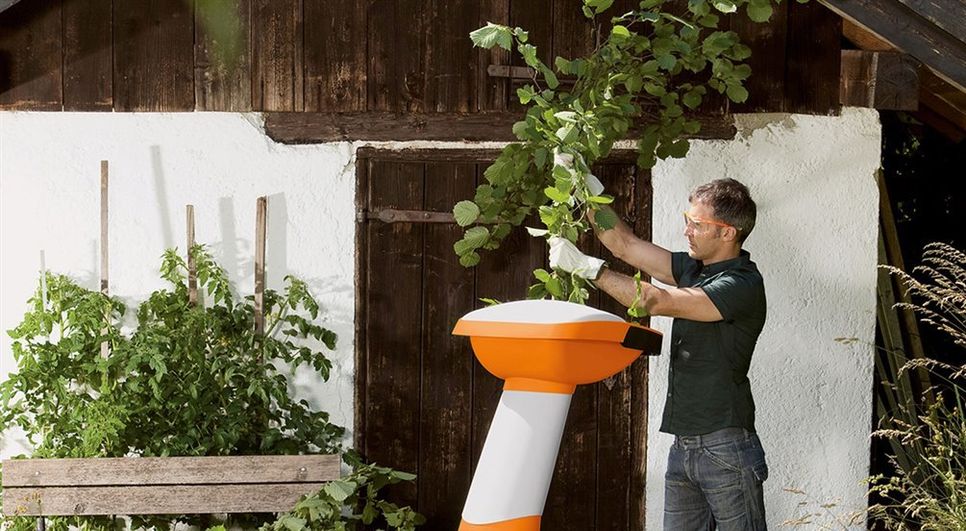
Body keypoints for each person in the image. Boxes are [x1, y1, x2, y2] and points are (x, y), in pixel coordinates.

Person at [549, 178, 769, 530]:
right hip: (683, 448)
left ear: (728, 233)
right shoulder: (693, 269)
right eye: (688, 219)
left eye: (697, 224)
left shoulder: (742, 284)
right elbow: (623, 244)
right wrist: (583, 185)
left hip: (726, 447)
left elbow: (656, 301)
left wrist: (590, 269)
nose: (687, 230)